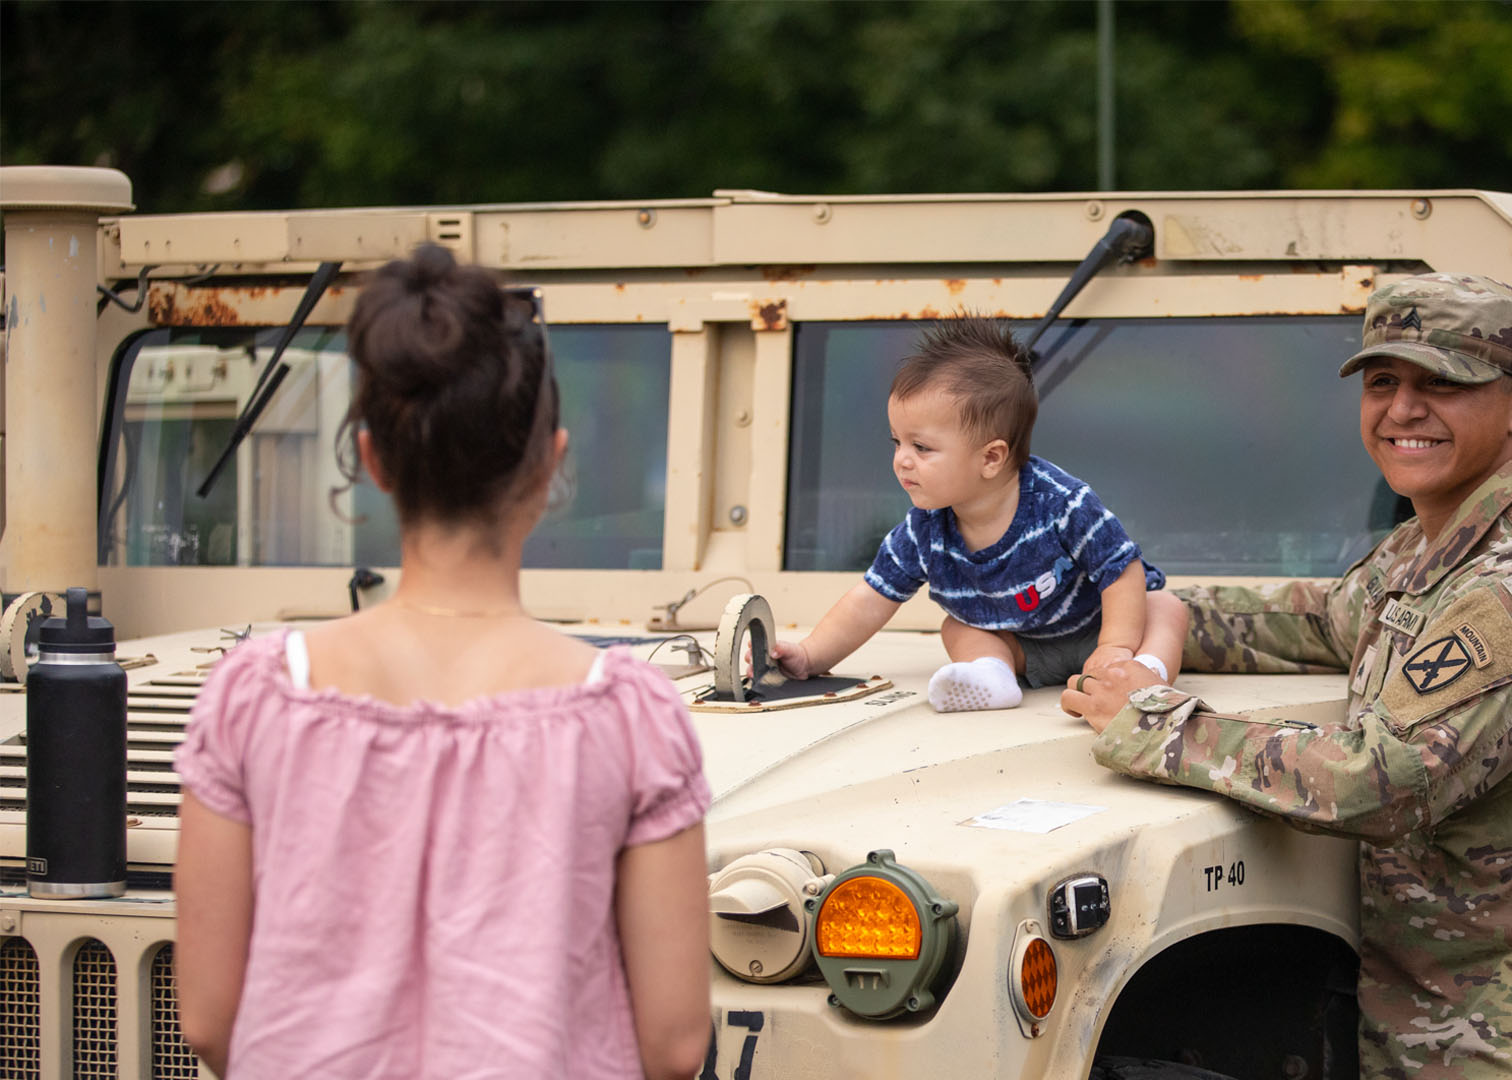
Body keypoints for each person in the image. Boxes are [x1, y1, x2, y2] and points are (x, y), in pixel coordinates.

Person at [1064, 273, 1512, 1079]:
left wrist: (1154, 721)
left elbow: (1379, 778)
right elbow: (1315, 621)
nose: (1402, 411)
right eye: (1384, 382)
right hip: (1445, 1027)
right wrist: (1106, 608)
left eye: (1443, 384)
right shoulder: (1429, 551)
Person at [172, 245, 712, 1080]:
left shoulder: (254, 695)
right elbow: (675, 1045)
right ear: (550, 462)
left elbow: (209, 1018)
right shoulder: (627, 714)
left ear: (374, 460)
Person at [771, 314, 1188, 712]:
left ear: (991, 458)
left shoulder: (1061, 502)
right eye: (896, 442)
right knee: (958, 627)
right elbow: (869, 599)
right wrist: (809, 655)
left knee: (1165, 607)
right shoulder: (924, 530)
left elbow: (1120, 568)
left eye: (922, 447)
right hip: (1027, 648)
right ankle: (992, 677)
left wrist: (1114, 646)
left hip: (1105, 629)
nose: (901, 460)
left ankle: (1145, 675)